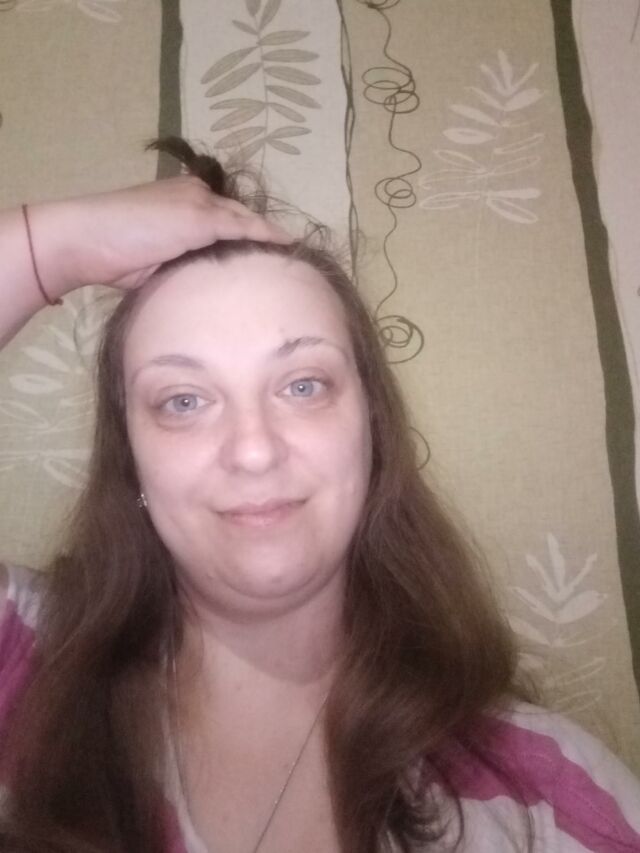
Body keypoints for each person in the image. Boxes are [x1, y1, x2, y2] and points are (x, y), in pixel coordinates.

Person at [0, 137, 639, 853]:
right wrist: (50, 247)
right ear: (134, 467)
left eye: (303, 386)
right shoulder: (25, 671)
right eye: (183, 400)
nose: (253, 449)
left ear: (372, 432)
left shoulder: (542, 796)